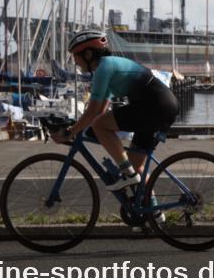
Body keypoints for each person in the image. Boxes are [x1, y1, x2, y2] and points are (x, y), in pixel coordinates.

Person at [52, 29, 179, 213]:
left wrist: (71, 132)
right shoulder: (107, 68)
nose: (75, 62)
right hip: (161, 106)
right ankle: (154, 215)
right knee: (138, 167)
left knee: (103, 130)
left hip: (153, 107)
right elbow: (102, 107)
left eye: (75, 56)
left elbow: (94, 111)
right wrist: (81, 128)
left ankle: (126, 173)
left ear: (88, 54)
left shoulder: (104, 67)